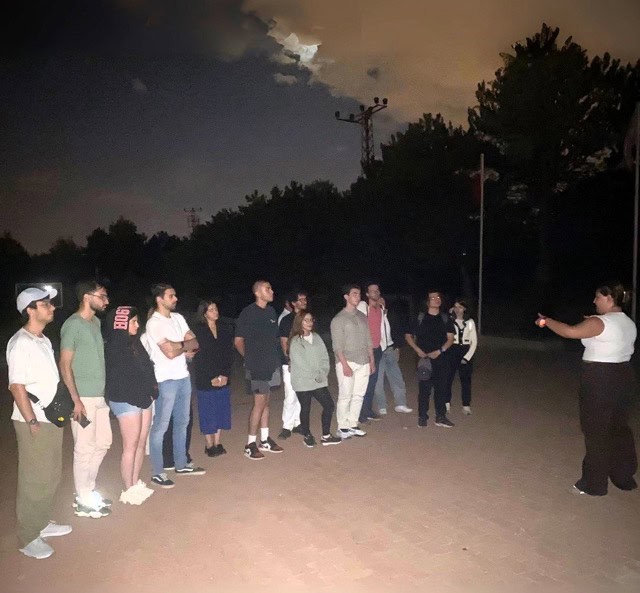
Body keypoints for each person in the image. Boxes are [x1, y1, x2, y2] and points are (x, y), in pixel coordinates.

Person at [536, 282, 638, 496]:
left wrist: (547, 321)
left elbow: (569, 332)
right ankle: (623, 477)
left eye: (598, 297)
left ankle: (594, 484)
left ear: (609, 298)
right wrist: (591, 322)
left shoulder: (599, 322)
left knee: (596, 431)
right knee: (618, 428)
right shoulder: (628, 322)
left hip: (600, 378)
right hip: (623, 375)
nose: (594, 301)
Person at [8, 287, 72, 559]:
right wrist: (32, 420)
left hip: (49, 418)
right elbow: (16, 386)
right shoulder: (20, 343)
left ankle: (42, 522)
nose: (52, 307)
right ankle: (28, 537)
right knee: (34, 478)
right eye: (45, 304)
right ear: (30, 310)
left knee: (50, 474)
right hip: (33, 420)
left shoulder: (43, 340)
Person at [60, 280, 113, 518]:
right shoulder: (73, 325)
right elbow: (65, 364)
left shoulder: (96, 323)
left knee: (103, 443)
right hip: (82, 397)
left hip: (99, 396)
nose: (106, 301)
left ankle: (87, 490)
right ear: (86, 297)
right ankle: (83, 498)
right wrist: (76, 399)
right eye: (102, 296)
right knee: (84, 448)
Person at [145, 283, 205, 488]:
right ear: (159, 299)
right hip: (165, 380)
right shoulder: (154, 323)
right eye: (171, 296)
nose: (176, 299)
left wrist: (178, 345)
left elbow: (195, 342)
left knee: (182, 422)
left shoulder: (178, 318)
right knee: (161, 426)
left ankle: (181, 464)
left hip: (183, 377)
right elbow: (169, 352)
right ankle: (158, 472)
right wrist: (183, 346)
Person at [104, 306, 155, 505]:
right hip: (126, 400)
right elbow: (119, 379)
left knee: (141, 442)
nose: (137, 325)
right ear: (121, 324)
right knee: (130, 446)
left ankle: (134, 482)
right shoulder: (114, 347)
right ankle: (128, 488)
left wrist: (151, 390)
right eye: (133, 321)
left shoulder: (135, 343)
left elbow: (146, 369)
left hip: (143, 398)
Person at [235, 280, 284, 460]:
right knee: (259, 403)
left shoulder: (271, 312)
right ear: (257, 292)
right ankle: (250, 444)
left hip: (272, 364)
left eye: (271, 288)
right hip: (257, 366)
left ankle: (264, 440)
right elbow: (238, 341)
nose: (271, 291)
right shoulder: (248, 313)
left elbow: (274, 339)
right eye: (267, 289)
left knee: (267, 402)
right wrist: (249, 359)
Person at [288, 310, 342, 447]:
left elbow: (324, 357)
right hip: (303, 381)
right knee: (305, 408)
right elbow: (300, 363)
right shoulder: (295, 341)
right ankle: (307, 435)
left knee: (329, 405)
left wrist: (322, 372)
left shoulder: (317, 337)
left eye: (311, 320)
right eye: (306, 320)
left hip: (318, 380)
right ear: (299, 322)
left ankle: (326, 436)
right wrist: (316, 375)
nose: (309, 323)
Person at [330, 284, 375, 439]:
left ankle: (353, 423)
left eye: (359, 294)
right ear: (346, 297)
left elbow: (369, 340)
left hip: (363, 361)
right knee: (345, 395)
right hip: (347, 361)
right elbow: (337, 346)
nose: (358, 297)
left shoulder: (362, 317)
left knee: (359, 395)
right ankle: (342, 426)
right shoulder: (339, 319)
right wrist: (344, 365)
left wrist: (371, 361)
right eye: (354, 294)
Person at [405, 290, 455, 428]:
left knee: (441, 388)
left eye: (438, 297)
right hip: (424, 359)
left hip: (441, 358)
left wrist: (440, 351)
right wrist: (417, 350)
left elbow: (451, 338)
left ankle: (440, 416)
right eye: (433, 298)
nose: (436, 299)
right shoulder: (419, 317)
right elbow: (408, 336)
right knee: (424, 389)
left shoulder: (445, 318)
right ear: (427, 302)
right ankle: (422, 416)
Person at [192, 299, 234, 457]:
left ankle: (217, 442)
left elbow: (228, 353)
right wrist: (211, 377)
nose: (215, 312)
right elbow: (199, 357)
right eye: (211, 309)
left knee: (221, 409)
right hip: (206, 377)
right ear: (204, 313)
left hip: (223, 376)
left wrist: (225, 374)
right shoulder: (198, 331)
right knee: (208, 410)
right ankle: (209, 444)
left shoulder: (224, 329)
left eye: (216, 308)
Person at [373, 296, 413, 415]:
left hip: (390, 349)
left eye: (383, 300)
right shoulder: (372, 316)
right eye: (379, 301)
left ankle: (401, 403)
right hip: (378, 350)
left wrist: (397, 347)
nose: (381, 302)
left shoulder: (390, 315)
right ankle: (381, 405)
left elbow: (397, 331)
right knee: (378, 380)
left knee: (397, 377)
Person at [278, 290, 308, 439]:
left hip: (305, 363)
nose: (304, 302)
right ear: (293, 303)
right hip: (290, 363)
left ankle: (298, 423)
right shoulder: (287, 320)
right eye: (300, 300)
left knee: (302, 394)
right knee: (290, 394)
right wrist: (289, 360)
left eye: (305, 299)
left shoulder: (307, 318)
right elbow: (284, 342)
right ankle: (287, 426)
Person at [357, 282, 385, 423]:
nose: (376, 293)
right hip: (365, 349)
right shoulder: (363, 307)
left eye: (377, 290)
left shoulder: (380, 308)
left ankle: (367, 410)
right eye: (372, 291)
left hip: (377, 348)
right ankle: (360, 413)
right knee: (363, 382)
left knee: (372, 382)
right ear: (367, 294)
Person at [444, 299, 478, 415]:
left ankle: (466, 405)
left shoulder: (470, 322)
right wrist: (449, 315)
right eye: (455, 307)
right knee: (448, 378)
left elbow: (474, 342)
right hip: (452, 349)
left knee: (466, 380)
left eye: (460, 307)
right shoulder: (450, 321)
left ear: (464, 309)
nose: (457, 309)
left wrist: (467, 357)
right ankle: (446, 403)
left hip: (465, 350)